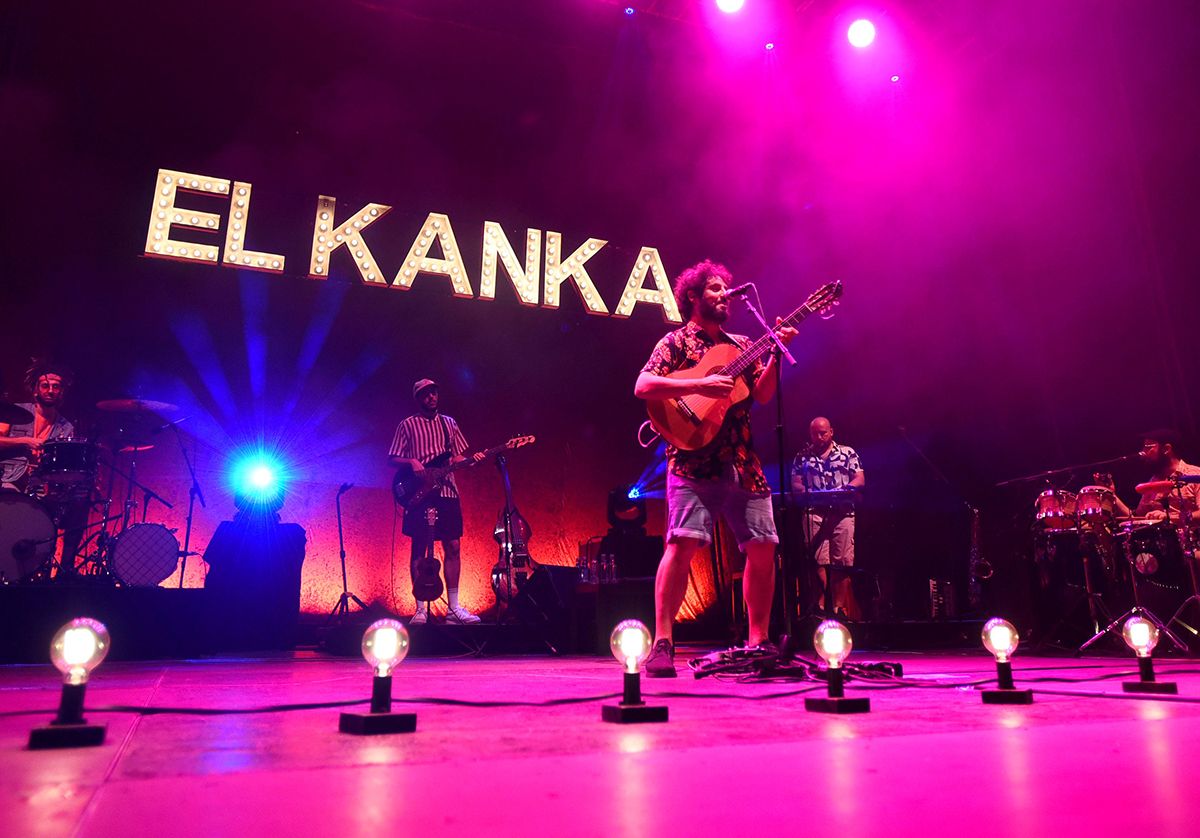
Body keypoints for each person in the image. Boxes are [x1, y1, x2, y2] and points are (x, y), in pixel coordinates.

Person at [634, 260, 798, 677]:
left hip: (743, 460)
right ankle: (663, 642)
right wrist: (697, 384)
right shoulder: (674, 342)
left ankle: (758, 642)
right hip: (692, 462)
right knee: (682, 545)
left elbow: (761, 396)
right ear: (692, 296)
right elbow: (644, 386)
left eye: (727, 287)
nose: (725, 293)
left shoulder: (743, 344)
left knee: (763, 546)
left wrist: (776, 354)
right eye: (714, 288)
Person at [388, 378, 484, 625]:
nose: (432, 397)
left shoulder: (449, 424)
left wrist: (472, 460)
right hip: (420, 493)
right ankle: (420, 609)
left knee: (453, 545)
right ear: (418, 398)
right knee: (419, 546)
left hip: (447, 492)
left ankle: (453, 609)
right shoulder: (407, 425)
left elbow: (458, 455)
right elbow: (393, 457)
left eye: (434, 393)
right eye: (426, 394)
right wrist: (411, 461)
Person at [0, 360, 89, 577]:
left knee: (78, 505)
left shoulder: (65, 426)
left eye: (56, 387)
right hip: (9, 480)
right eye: (45, 386)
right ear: (36, 389)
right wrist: (25, 441)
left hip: (41, 486)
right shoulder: (16, 411)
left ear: (62, 392)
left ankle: (64, 570)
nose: (50, 391)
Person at [791, 417, 865, 616]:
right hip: (814, 513)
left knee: (841, 561)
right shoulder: (802, 456)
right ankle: (819, 607)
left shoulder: (847, 452)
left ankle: (839, 608)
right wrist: (809, 493)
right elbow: (795, 483)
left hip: (842, 513)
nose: (819, 436)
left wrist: (846, 489)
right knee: (817, 560)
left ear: (831, 431)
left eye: (823, 432)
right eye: (815, 433)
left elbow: (859, 478)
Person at [1098, 429, 1200, 525]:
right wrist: (1111, 494)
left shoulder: (1195, 474)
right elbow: (1137, 519)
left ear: (1166, 449)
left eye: (1148, 446)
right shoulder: (1154, 481)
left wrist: (1169, 517)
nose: (1143, 452)